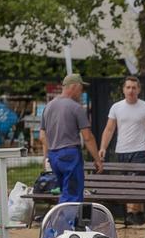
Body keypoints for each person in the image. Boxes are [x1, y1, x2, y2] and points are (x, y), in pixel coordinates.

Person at [99, 75, 145, 226]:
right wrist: (103, 147)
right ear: (123, 90)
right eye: (128, 87)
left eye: (134, 88)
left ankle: (133, 212)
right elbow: (109, 129)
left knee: (137, 182)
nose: (131, 90)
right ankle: (135, 213)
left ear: (139, 90)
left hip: (140, 150)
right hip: (122, 150)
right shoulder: (116, 107)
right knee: (127, 182)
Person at [39, 73, 102, 204]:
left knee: (65, 191)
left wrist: (46, 157)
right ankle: (63, 223)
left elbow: (42, 136)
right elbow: (88, 137)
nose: (81, 92)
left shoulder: (48, 107)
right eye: (81, 89)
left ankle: (65, 222)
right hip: (70, 155)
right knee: (73, 195)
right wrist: (97, 159)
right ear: (73, 87)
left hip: (54, 155)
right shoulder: (76, 107)